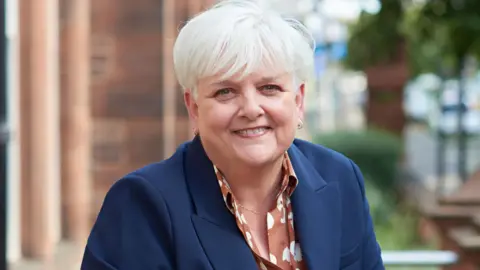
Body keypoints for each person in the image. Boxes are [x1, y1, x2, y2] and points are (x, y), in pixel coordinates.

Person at [81, 0, 384, 269]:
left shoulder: (340, 178)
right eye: (225, 91)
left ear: (299, 100)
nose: (251, 109)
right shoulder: (141, 204)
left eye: (269, 88)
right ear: (194, 107)